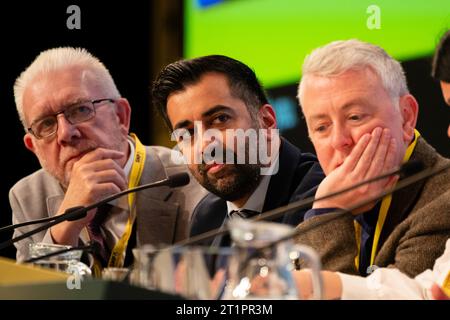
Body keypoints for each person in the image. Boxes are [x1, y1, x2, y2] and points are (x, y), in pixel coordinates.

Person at [10, 47, 207, 270]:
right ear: (33, 146)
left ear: (121, 116)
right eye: (46, 124)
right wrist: (65, 226)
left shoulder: (193, 179)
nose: (65, 133)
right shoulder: (28, 196)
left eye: (80, 110)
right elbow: (32, 295)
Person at [293, 32, 450, 300]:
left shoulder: (443, 200)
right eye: (322, 127)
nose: (340, 141)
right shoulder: (314, 198)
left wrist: (331, 215)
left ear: (406, 117)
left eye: (355, 117)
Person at [151, 55, 324, 246]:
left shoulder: (318, 196)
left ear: (266, 121)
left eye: (220, 119)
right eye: (187, 134)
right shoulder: (207, 216)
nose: (205, 145)